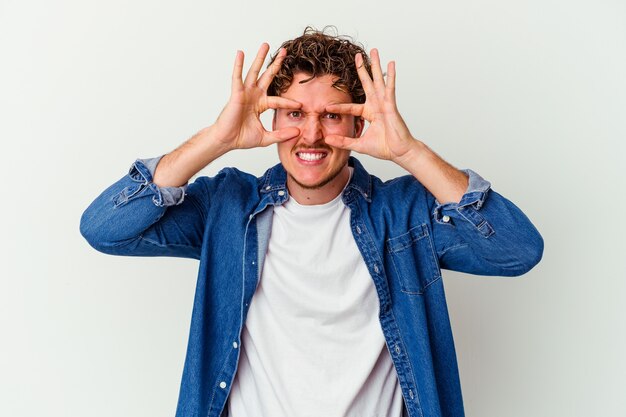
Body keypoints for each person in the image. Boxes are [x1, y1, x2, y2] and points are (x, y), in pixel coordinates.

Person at [80, 28, 543, 417]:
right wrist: (215, 140)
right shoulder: (228, 206)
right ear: (271, 115)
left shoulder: (404, 215)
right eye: (296, 113)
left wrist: (409, 152)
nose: (313, 134)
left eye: (334, 116)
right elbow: (104, 227)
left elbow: (518, 250)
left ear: (360, 124)